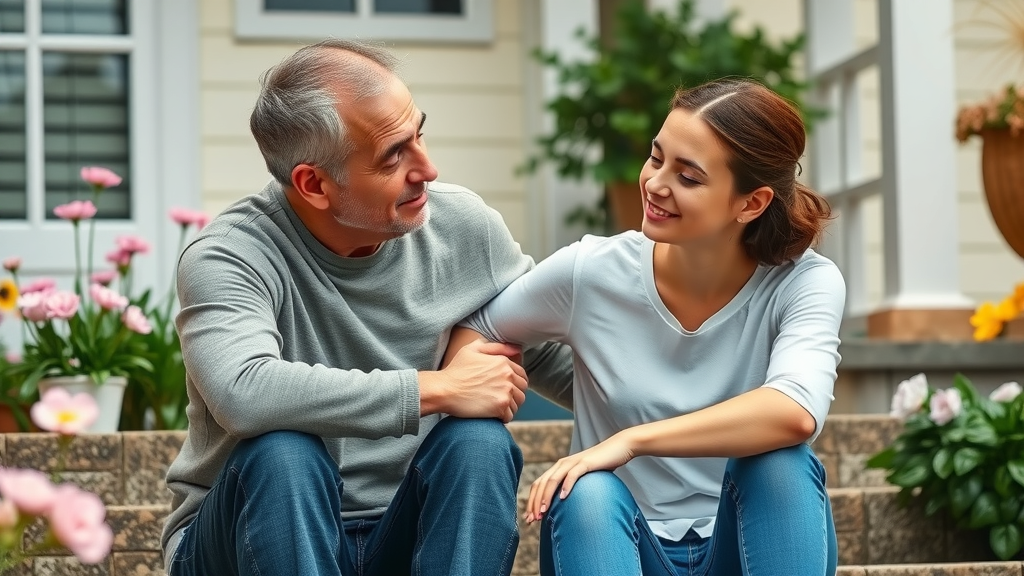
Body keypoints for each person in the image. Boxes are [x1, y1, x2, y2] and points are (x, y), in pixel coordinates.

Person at [161, 38, 572, 576]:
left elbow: (562, 361)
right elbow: (244, 393)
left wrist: (688, 411)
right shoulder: (231, 255)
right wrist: (440, 388)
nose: (428, 167)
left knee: (478, 443)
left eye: (418, 134)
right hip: (247, 539)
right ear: (314, 184)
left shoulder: (463, 229)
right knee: (283, 453)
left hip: (404, 531)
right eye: (393, 155)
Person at [453, 78, 845, 575]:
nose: (656, 184)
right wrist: (477, 392)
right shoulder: (592, 271)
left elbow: (794, 411)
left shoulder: (805, 282)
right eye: (656, 158)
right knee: (589, 491)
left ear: (751, 203)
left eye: (689, 177)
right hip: (617, 541)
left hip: (742, 544)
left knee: (781, 466)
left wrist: (630, 440)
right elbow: (480, 327)